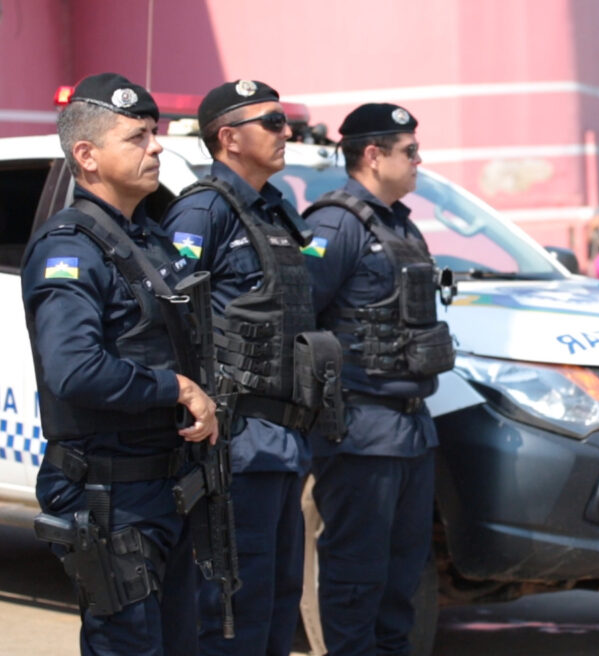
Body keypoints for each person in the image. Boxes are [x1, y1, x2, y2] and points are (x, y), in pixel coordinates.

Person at [21, 72, 219, 656]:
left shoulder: (148, 241)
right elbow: (74, 369)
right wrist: (176, 388)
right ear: (87, 155)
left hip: (168, 487)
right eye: (137, 137)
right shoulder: (69, 248)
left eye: (154, 133)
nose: (156, 148)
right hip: (111, 495)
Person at [161, 80, 323, 656]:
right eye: (272, 122)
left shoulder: (276, 211)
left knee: (277, 608)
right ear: (229, 138)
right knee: (233, 615)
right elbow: (169, 318)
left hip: (282, 441)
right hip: (235, 445)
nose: (286, 132)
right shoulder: (203, 211)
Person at [300, 103, 456, 656]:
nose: (418, 161)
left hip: (411, 430)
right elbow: (298, 318)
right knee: (355, 579)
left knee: (402, 582)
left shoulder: (399, 224)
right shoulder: (334, 224)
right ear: (373, 155)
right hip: (360, 433)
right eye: (409, 151)